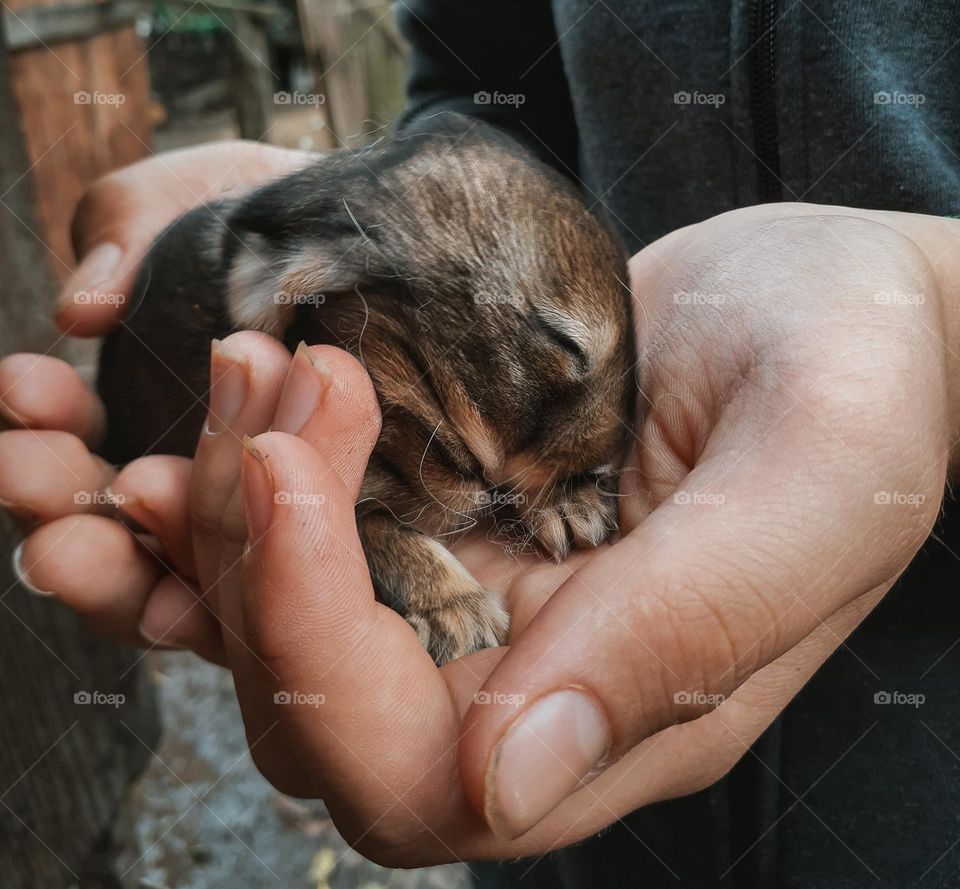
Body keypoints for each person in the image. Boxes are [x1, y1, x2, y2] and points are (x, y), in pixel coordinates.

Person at [2, 2, 959, 885]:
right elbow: (476, 93)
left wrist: (938, 333)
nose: (492, 493)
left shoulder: (595, 374)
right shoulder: (328, 315)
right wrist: (355, 196)